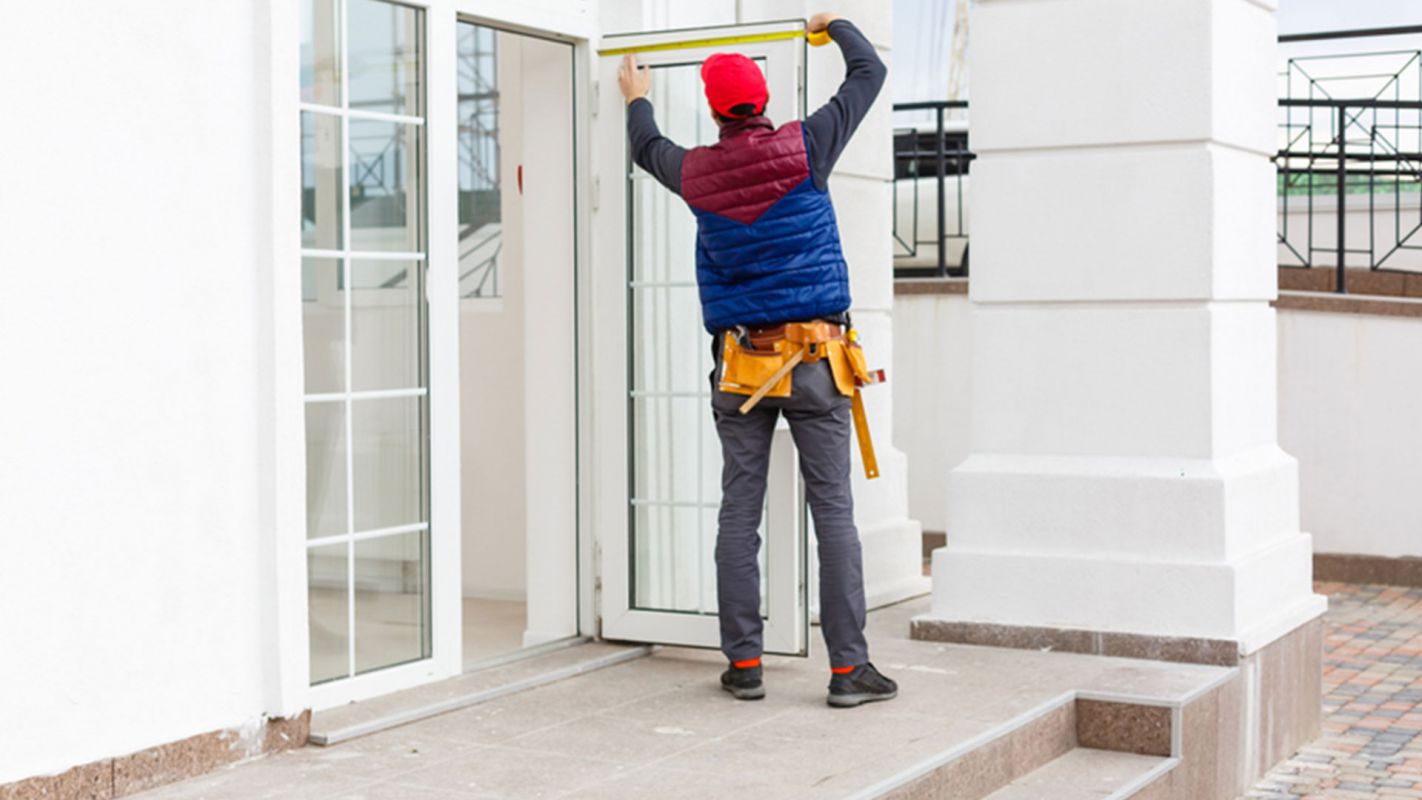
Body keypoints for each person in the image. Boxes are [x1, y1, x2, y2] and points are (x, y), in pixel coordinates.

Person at [618, 13, 896, 708]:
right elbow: (871, 74)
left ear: (714, 110)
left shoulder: (695, 172)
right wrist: (835, 25)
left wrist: (635, 93)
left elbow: (646, 144)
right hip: (816, 363)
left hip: (740, 368)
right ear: (763, 98)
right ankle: (847, 672)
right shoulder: (809, 146)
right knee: (832, 511)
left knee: (738, 513)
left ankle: (744, 664)